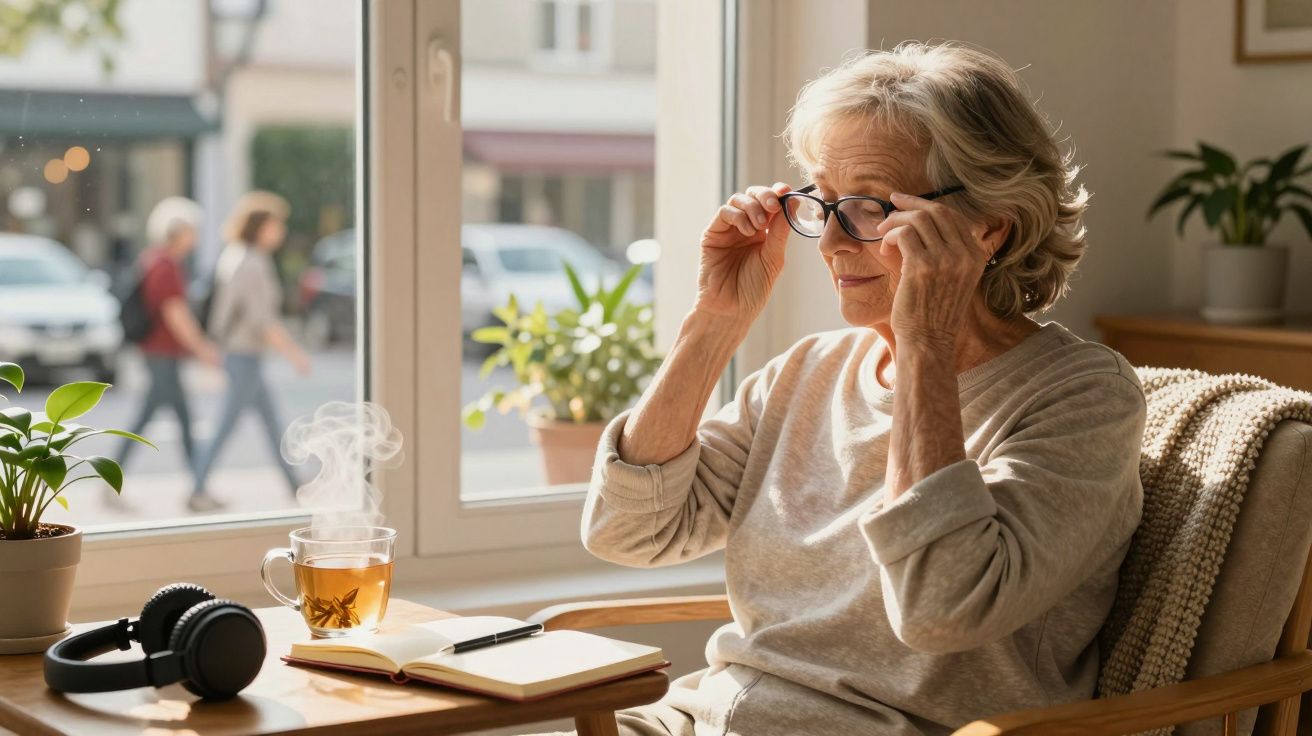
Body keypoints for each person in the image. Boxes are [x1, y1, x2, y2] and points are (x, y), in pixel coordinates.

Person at [572, 42, 1147, 735]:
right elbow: (627, 531)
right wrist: (715, 320)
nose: (831, 243)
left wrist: (925, 343)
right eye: (825, 201)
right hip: (703, 719)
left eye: (871, 207)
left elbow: (941, 608)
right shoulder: (807, 371)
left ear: (987, 226)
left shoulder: (1083, 396)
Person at [190, 191, 311, 513]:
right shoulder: (251, 262)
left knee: (271, 423)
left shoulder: (240, 255)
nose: (281, 231)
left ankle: (294, 483)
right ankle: (197, 487)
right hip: (243, 356)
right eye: (276, 224)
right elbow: (263, 320)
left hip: (245, 356)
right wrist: (295, 355)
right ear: (260, 226)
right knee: (226, 426)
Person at [108, 197, 221, 510]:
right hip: (162, 355)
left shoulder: (153, 259)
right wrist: (203, 349)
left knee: (155, 419)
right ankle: (197, 489)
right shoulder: (167, 265)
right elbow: (175, 314)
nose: (195, 237)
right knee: (180, 421)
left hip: (157, 354)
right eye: (191, 230)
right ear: (177, 231)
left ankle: (196, 487)